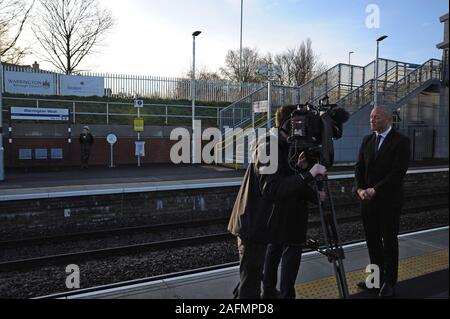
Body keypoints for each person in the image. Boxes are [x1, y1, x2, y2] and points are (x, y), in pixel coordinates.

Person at [228, 105, 327, 299]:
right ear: (289, 123)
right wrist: (309, 174)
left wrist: (298, 167)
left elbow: (277, 179)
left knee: (252, 279)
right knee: (250, 286)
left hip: (259, 226)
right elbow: (272, 188)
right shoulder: (268, 145)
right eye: (299, 123)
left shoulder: (277, 145)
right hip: (253, 226)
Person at [355, 106, 411, 298]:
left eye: (376, 117)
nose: (371, 120)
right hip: (368, 202)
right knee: (372, 242)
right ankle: (375, 279)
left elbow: (398, 172)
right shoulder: (367, 140)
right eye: (371, 117)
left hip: (388, 201)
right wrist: (360, 189)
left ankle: (389, 281)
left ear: (387, 119)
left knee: (389, 242)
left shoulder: (401, 141)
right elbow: (359, 167)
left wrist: (375, 189)